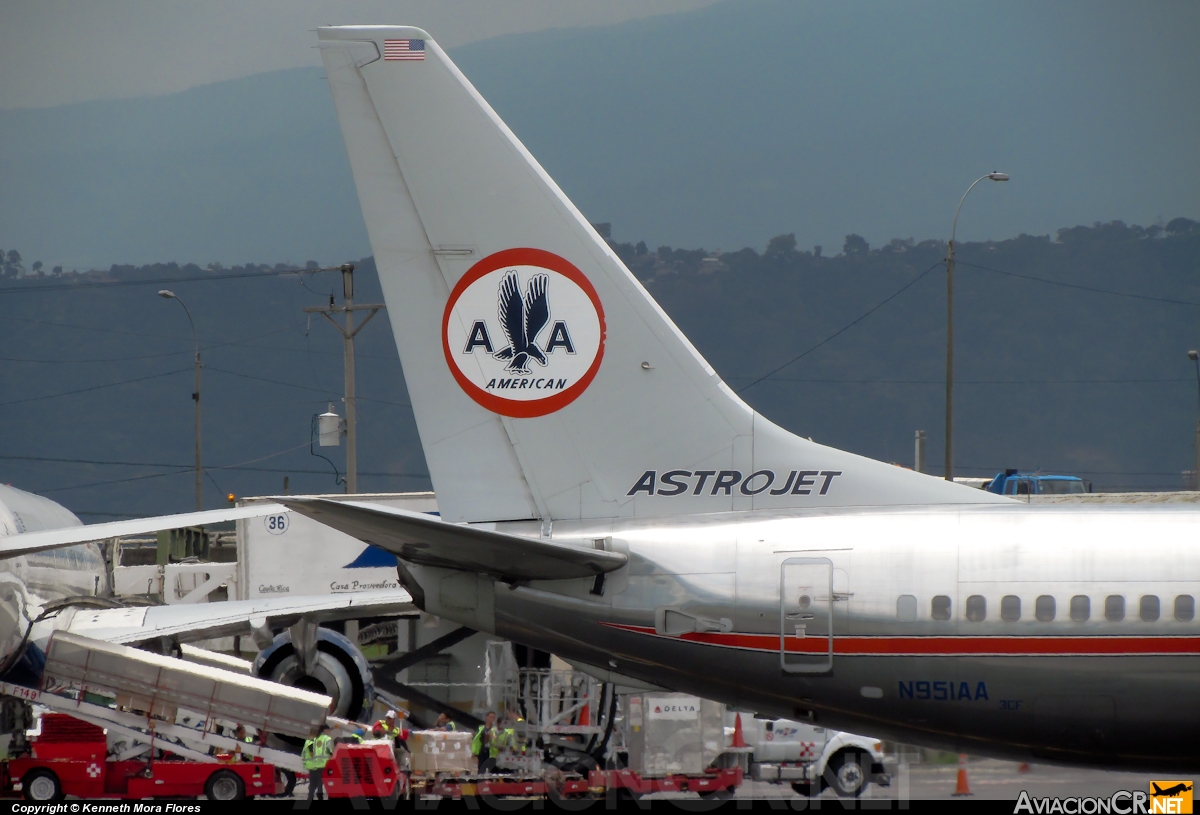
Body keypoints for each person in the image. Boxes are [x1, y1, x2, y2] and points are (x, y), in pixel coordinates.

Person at [301, 724, 333, 802]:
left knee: (314, 782)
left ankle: (311, 797)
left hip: (313, 764)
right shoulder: (326, 739)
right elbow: (330, 751)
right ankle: (318, 797)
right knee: (319, 782)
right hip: (321, 763)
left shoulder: (313, 740)